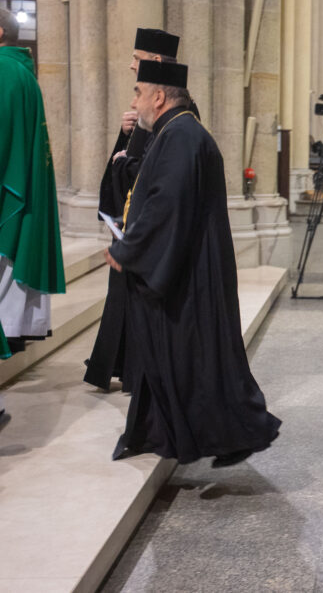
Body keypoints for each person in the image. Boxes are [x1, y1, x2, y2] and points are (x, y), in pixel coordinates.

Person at [106, 60, 280, 466]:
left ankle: (235, 434)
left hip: (190, 275)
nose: (134, 102)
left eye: (138, 92)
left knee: (196, 363)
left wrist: (127, 250)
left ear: (159, 97)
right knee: (177, 361)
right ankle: (156, 432)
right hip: (189, 267)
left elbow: (167, 205)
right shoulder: (177, 132)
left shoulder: (181, 136)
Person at [85, 27, 198, 392]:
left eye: (136, 58)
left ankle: (138, 372)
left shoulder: (181, 116)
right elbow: (136, 158)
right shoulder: (151, 109)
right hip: (133, 218)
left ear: (156, 61)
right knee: (121, 295)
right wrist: (125, 135)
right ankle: (120, 366)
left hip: (150, 224)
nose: (131, 64)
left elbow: (159, 172)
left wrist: (125, 164)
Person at [0, 7, 64, 357]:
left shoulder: (3, 70)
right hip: (22, 181)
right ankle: (14, 332)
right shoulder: (24, 72)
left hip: (7, 186)